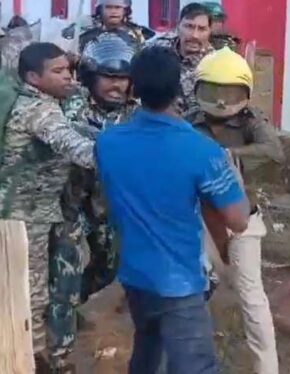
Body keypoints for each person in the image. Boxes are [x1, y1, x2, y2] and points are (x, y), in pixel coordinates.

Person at [95, 46, 250, 374]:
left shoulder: (107, 143)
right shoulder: (202, 150)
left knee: (148, 350)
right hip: (179, 282)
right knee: (195, 366)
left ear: (133, 89)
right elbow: (238, 220)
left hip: (135, 275)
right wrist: (235, 179)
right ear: (179, 90)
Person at [0, 42, 96, 371]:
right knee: (28, 293)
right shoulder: (40, 111)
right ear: (33, 77)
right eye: (58, 71)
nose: (68, 77)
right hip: (21, 218)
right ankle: (28, 359)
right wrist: (128, 152)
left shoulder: (36, 102)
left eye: (68, 69)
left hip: (18, 213)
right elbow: (80, 151)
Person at [46, 35, 138, 372]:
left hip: (108, 208)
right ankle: (58, 357)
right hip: (69, 206)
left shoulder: (137, 114)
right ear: (90, 77)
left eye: (123, 78)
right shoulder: (71, 105)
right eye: (108, 77)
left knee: (106, 269)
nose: (116, 85)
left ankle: (66, 309)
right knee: (65, 278)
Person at [190, 47, 282, 373]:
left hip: (243, 218)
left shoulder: (252, 121)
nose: (220, 100)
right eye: (213, 90)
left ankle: (267, 368)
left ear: (244, 92)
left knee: (251, 296)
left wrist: (224, 156)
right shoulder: (189, 120)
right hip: (199, 219)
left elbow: (274, 152)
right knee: (194, 289)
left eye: (229, 92)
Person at [147, 3, 215, 117]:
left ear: (210, 31)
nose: (195, 35)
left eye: (202, 29)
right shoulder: (156, 47)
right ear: (178, 26)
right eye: (189, 27)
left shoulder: (214, 63)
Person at [62, 0, 155, 53]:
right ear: (100, 9)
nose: (113, 11)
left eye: (117, 7)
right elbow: (68, 36)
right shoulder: (87, 29)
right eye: (108, 7)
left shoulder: (137, 33)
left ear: (125, 10)